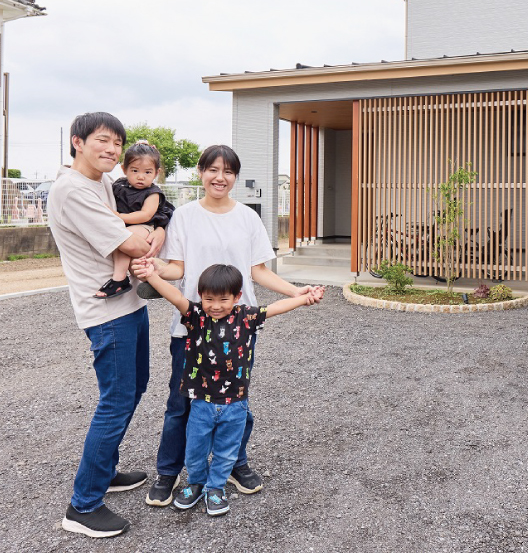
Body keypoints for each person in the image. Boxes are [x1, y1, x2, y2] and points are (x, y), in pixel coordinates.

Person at [132, 144, 323, 507]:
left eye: (228, 171)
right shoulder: (185, 216)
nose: (220, 177)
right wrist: (156, 270)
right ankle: (169, 473)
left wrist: (297, 291)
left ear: (235, 176)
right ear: (201, 172)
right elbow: (177, 268)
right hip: (192, 330)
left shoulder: (248, 218)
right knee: (180, 404)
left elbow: (259, 271)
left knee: (236, 403)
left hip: (236, 333)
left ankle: (235, 464)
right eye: (213, 170)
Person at [47, 112, 164, 538]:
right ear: (77, 142)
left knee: (135, 387)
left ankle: (105, 469)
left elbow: (135, 232)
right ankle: (83, 505)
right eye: (102, 141)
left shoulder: (98, 182)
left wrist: (145, 237)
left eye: (117, 143)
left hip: (128, 304)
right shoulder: (73, 190)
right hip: (105, 313)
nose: (112, 150)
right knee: (115, 400)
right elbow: (131, 241)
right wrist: (147, 238)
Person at [136, 261, 318, 515]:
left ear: (237, 297)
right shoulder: (196, 315)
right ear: (201, 296)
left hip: (236, 403)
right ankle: (196, 483)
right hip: (201, 401)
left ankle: (216, 488)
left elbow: (275, 307)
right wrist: (152, 276)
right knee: (195, 449)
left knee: (226, 449)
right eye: (209, 299)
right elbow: (174, 295)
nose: (216, 306)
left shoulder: (247, 316)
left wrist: (302, 298)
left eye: (223, 299)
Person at [94, 141, 175, 299]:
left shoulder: (153, 193)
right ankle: (152, 282)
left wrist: (118, 217)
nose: (140, 176)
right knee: (136, 263)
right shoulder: (119, 185)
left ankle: (119, 279)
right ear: (124, 169)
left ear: (156, 173)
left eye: (147, 172)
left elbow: (145, 214)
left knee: (123, 237)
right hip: (127, 226)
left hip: (144, 226)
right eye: (135, 170)